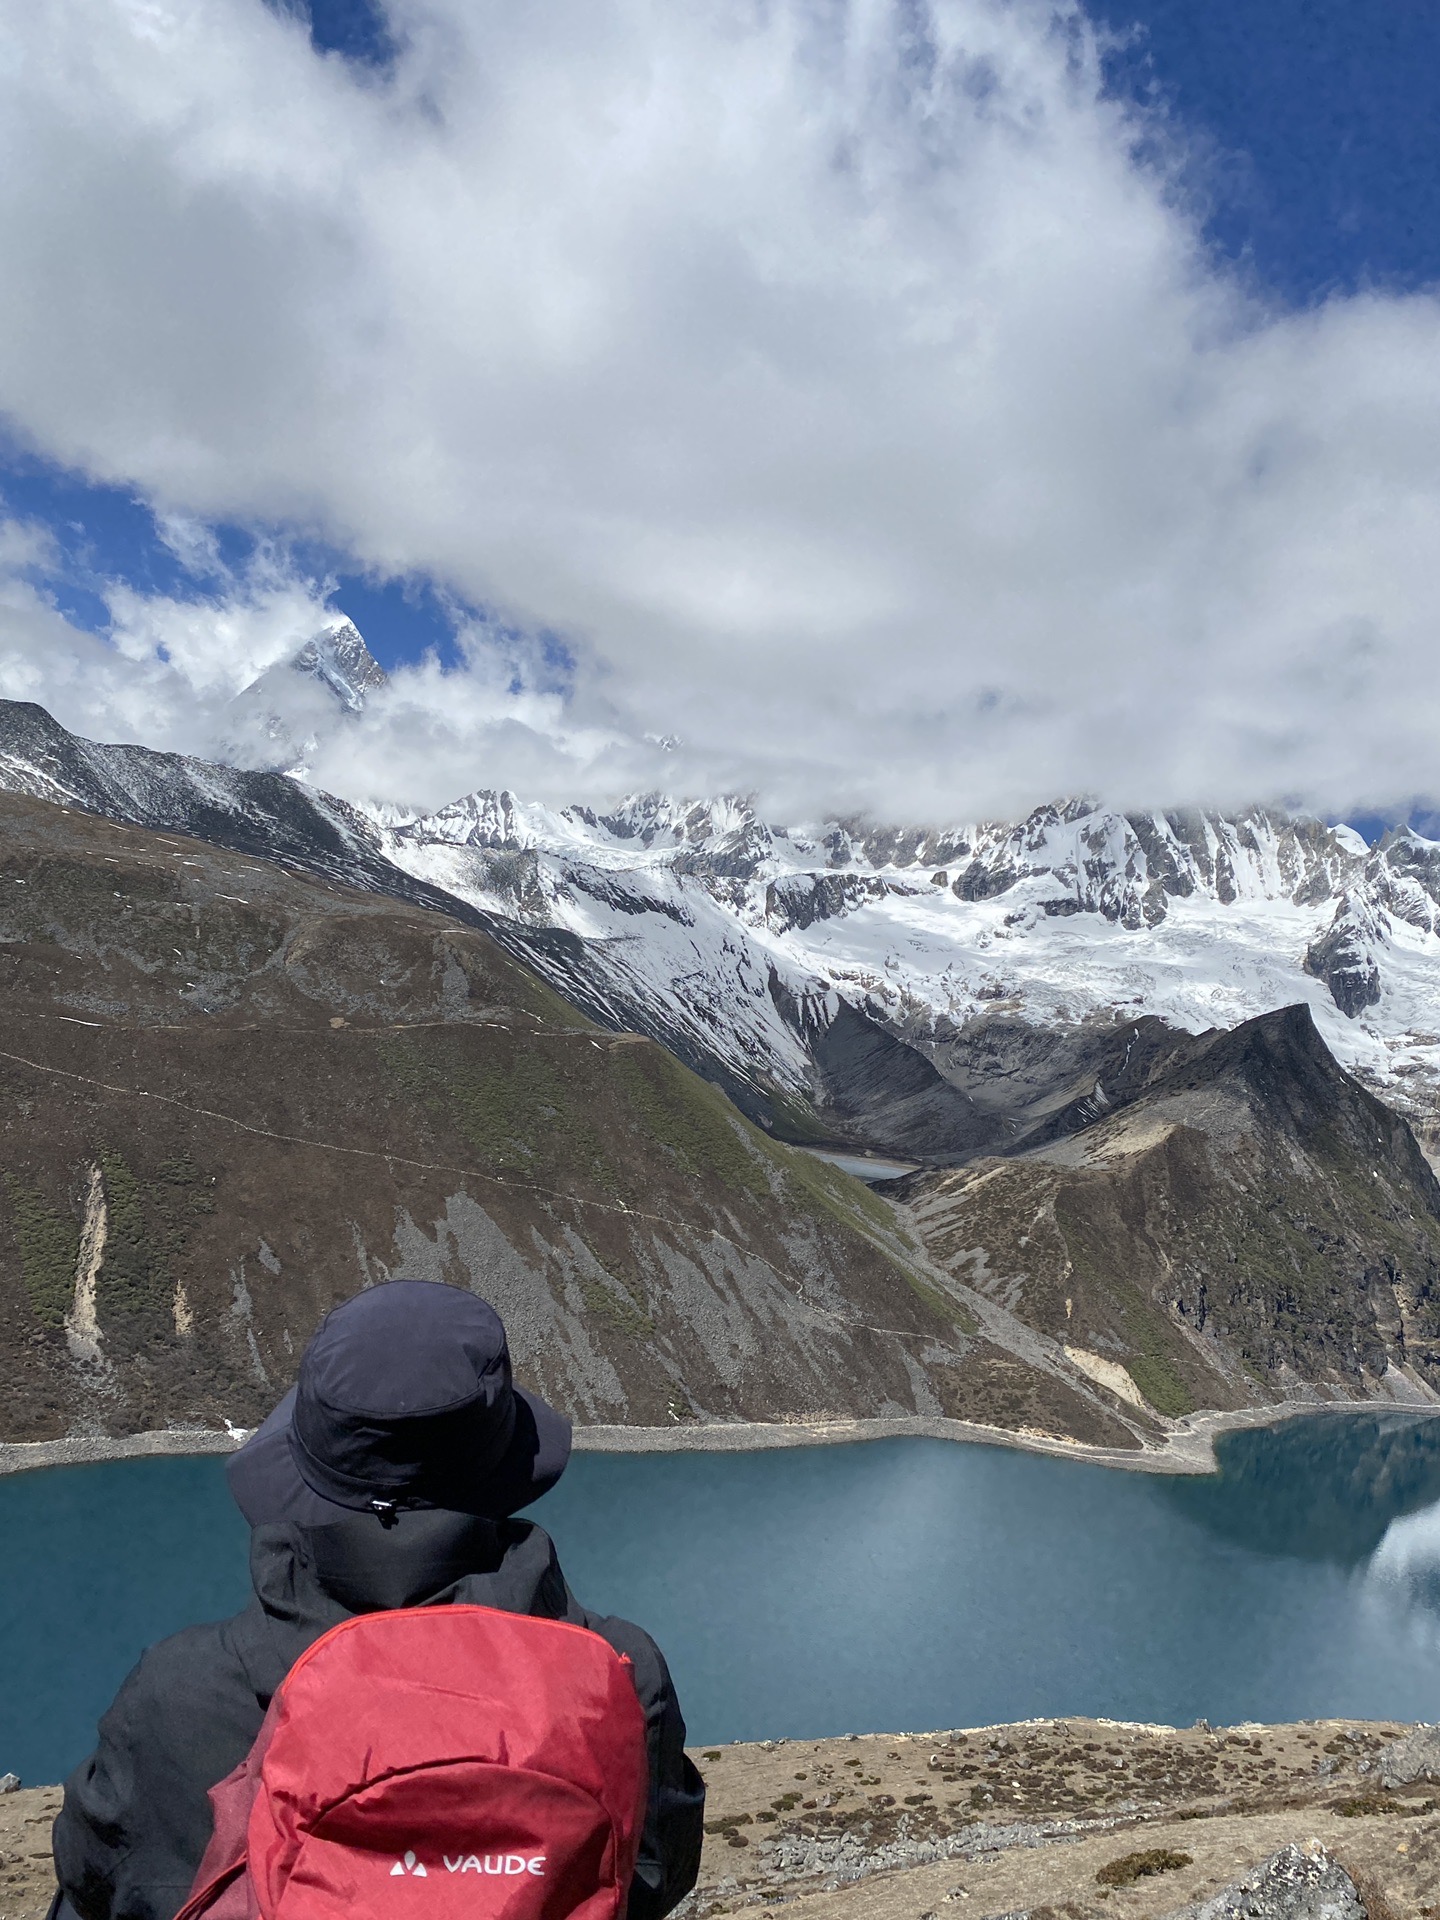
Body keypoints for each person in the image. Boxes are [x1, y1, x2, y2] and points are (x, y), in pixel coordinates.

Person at [51, 1280, 705, 1920]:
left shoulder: (175, 1697)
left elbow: (95, 1881)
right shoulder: (619, 1676)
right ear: (505, 1461)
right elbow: (652, 1877)